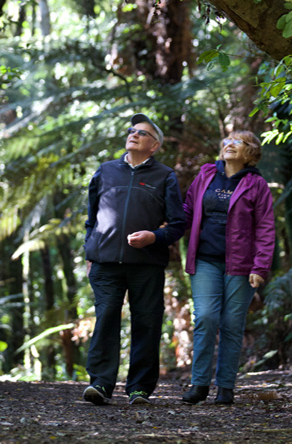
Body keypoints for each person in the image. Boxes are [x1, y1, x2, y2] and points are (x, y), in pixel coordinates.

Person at [82, 113, 186, 406]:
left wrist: (153, 237)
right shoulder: (105, 171)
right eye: (132, 130)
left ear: (154, 146)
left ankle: (139, 388)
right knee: (105, 319)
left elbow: (178, 224)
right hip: (104, 264)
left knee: (147, 323)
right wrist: (90, 251)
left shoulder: (164, 176)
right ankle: (100, 384)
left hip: (147, 264)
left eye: (142, 133)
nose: (134, 134)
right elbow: (91, 218)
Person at [180, 130, 275, 405]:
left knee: (232, 324)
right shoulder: (206, 175)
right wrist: (166, 232)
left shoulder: (257, 185)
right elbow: (187, 210)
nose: (229, 144)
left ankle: (226, 387)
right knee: (206, 318)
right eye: (226, 140)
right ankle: (199, 384)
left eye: (238, 141)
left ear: (251, 152)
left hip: (242, 265)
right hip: (205, 259)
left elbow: (266, 228)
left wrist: (260, 267)